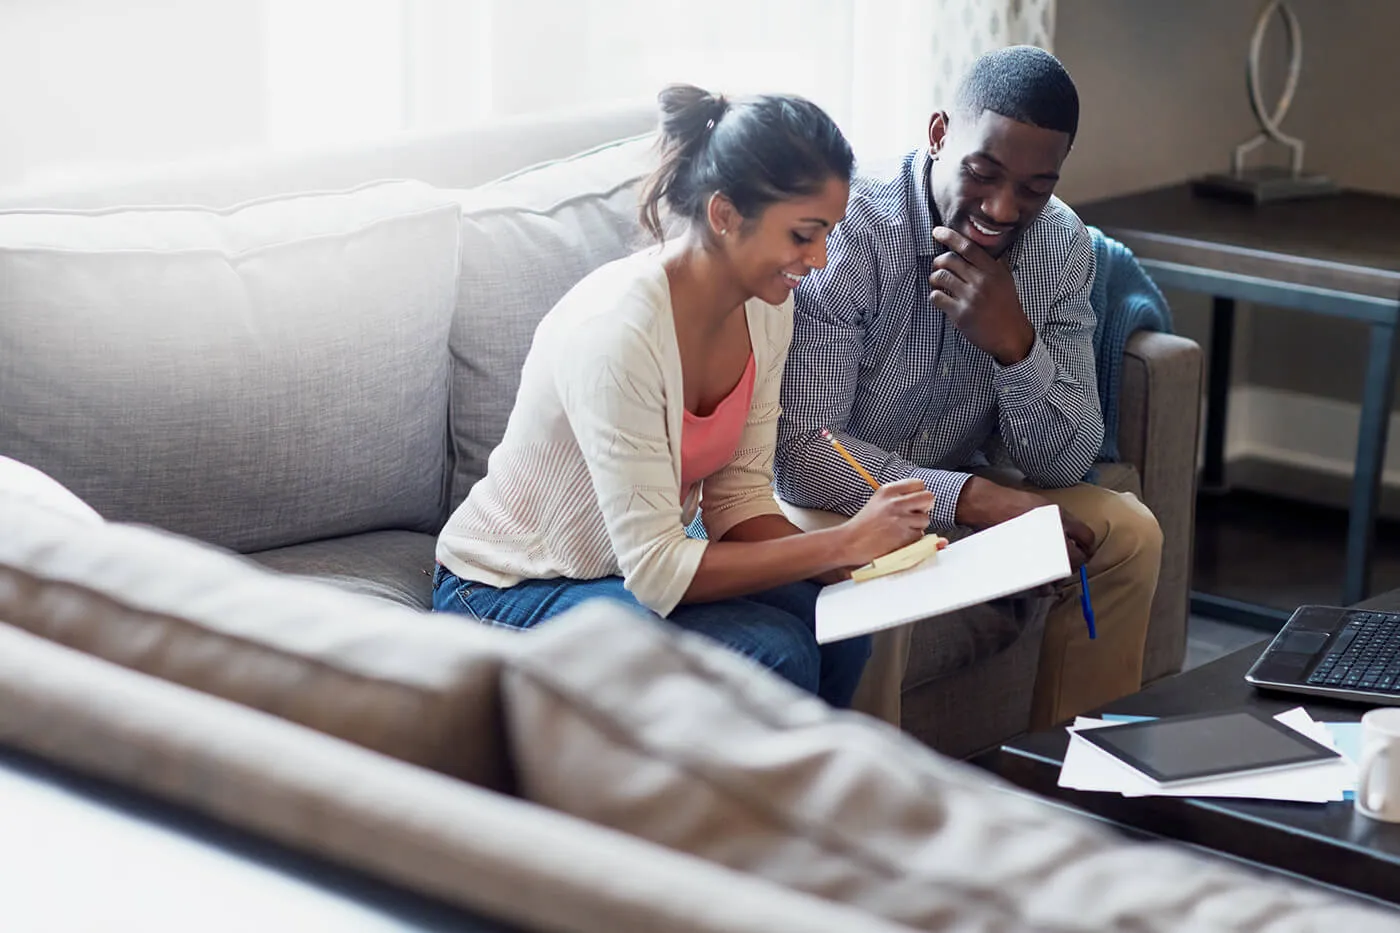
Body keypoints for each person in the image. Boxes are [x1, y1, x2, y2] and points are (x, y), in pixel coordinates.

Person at [433, 84, 936, 708]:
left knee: (839, 629)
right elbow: (657, 569)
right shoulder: (619, 334)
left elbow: (739, 501)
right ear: (725, 215)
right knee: (771, 651)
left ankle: (791, 804)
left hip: (622, 569)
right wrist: (840, 541)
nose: (819, 258)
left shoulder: (767, 309)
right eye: (804, 235)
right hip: (511, 583)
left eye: (828, 233)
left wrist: (852, 567)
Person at [774, 46, 1163, 726]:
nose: (1003, 208)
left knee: (1129, 531)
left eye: (1035, 188)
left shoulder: (1061, 245)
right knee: (886, 569)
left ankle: (1079, 788)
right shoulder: (853, 229)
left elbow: (1065, 463)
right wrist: (977, 500)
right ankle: (873, 808)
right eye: (983, 173)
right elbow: (806, 455)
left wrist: (1016, 346)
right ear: (938, 134)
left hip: (950, 487)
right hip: (837, 496)